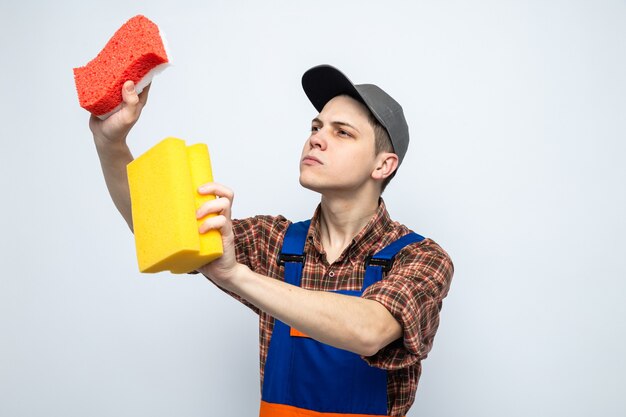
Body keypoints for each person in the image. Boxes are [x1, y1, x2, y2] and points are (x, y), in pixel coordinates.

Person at [89, 64, 454, 417]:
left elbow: (369, 330)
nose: (316, 138)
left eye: (342, 132)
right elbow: (158, 226)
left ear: (383, 165)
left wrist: (237, 275)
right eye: (316, 126)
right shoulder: (274, 242)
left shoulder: (419, 258)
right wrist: (111, 143)